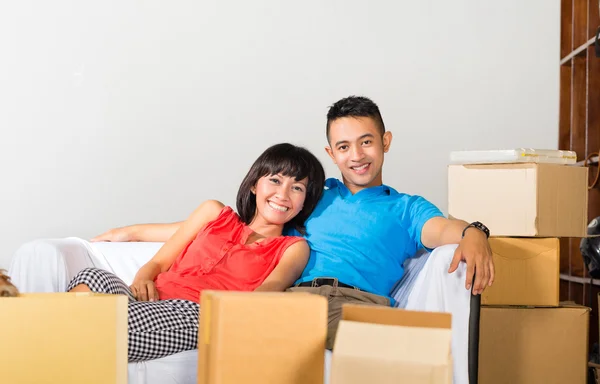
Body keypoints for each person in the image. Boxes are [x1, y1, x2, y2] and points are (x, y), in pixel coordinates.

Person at [94, 97, 493, 383]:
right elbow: (234, 229)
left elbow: (442, 230)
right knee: (256, 334)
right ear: (331, 153)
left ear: (385, 142)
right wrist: (133, 234)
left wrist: (474, 231)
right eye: (343, 146)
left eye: (367, 141)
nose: (357, 155)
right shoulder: (314, 195)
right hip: (294, 298)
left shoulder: (406, 208)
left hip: (356, 302)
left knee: (400, 351)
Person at [69, 142, 326, 362]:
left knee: (102, 324)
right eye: (275, 180)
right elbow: (158, 263)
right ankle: (55, 339)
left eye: (297, 188)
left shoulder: (292, 248)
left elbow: (267, 292)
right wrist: (142, 280)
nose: (283, 194)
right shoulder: (214, 213)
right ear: (254, 185)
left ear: (304, 202)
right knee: (92, 277)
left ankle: (49, 341)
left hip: (198, 315)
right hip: (150, 297)